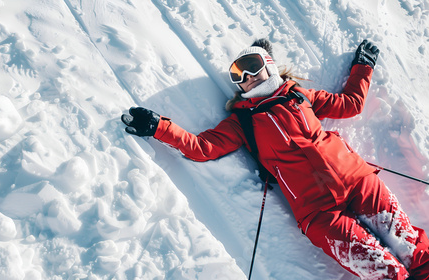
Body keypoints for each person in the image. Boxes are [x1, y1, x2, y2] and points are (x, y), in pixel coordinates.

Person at [121, 38, 429, 279]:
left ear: (268, 64)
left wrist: (362, 68)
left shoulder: (298, 95)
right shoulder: (242, 121)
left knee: (414, 249)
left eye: (252, 65)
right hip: (319, 213)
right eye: (238, 75)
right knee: (383, 271)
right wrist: (160, 127)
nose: (247, 77)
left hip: (359, 181)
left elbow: (350, 104)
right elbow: (202, 148)